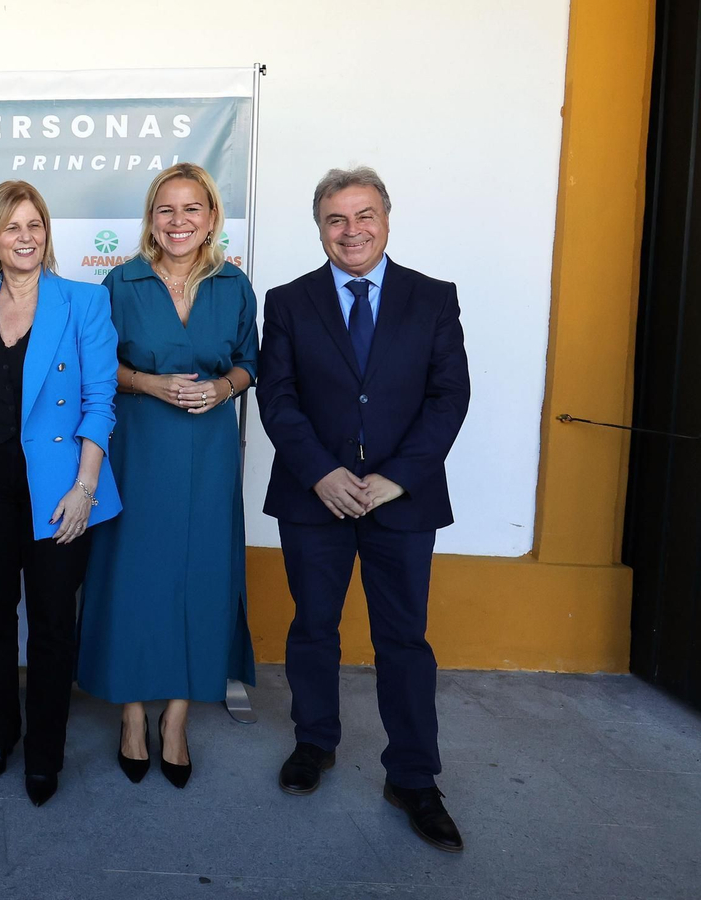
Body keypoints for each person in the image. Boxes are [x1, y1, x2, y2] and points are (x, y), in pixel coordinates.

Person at [257, 166, 470, 852]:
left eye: (364, 215)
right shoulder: (287, 301)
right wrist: (320, 472)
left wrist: (397, 479)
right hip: (313, 497)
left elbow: (449, 397)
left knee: (404, 640)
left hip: (400, 504)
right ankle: (313, 742)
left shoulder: (433, 298)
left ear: (387, 218)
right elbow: (278, 399)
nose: (352, 231)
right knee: (313, 627)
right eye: (336, 219)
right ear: (319, 227)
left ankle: (412, 776)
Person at [78, 163, 258, 788]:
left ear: (211, 217)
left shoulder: (235, 286)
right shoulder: (118, 285)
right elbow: (96, 372)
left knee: (201, 576)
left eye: (192, 210)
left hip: (208, 454)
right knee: (133, 575)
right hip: (136, 446)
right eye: (166, 210)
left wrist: (223, 388)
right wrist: (148, 382)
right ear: (151, 219)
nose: (178, 222)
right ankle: (132, 716)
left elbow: (248, 364)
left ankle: (176, 719)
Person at [0, 180, 121, 807]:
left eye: (36, 225)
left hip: (61, 491)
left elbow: (100, 401)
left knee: (52, 626)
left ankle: (45, 753)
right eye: (12, 226)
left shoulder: (83, 302)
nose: (26, 237)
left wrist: (86, 486)